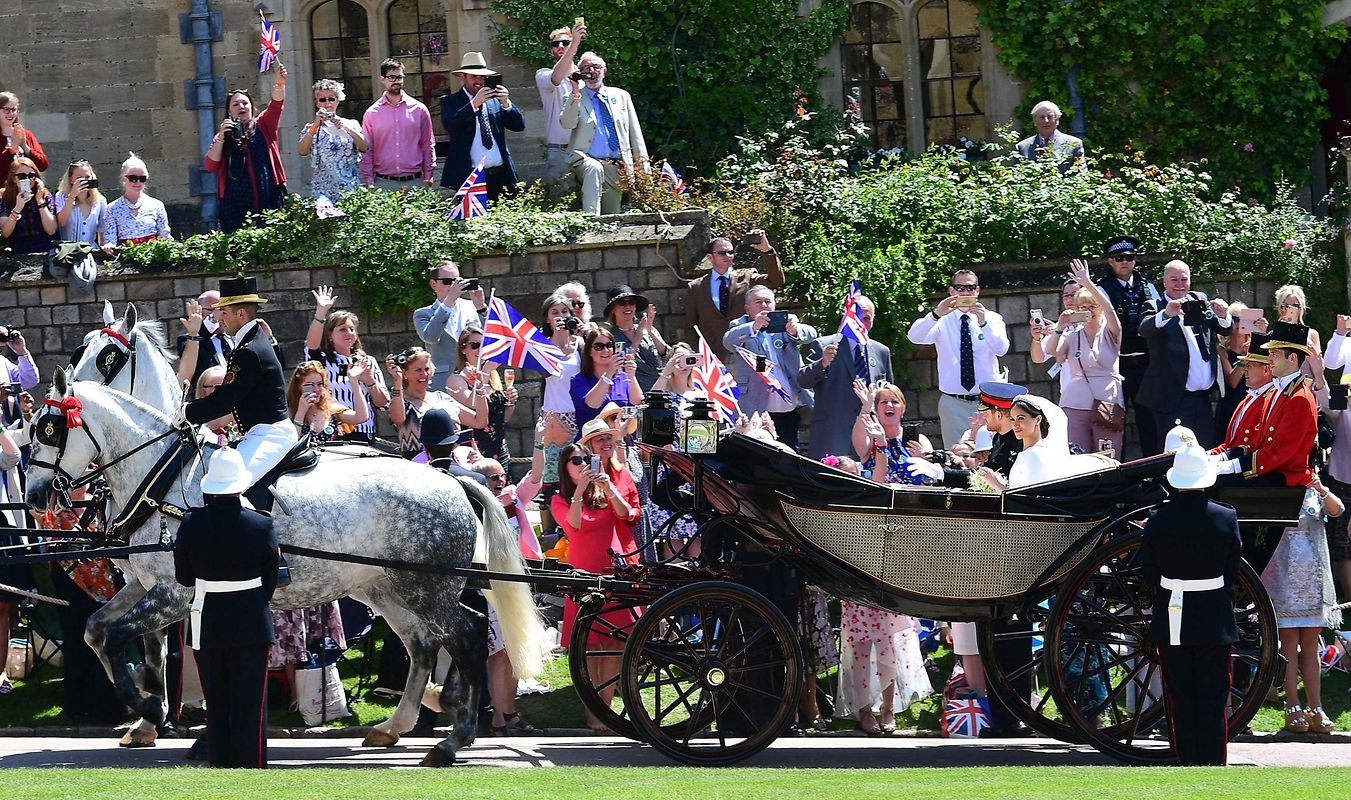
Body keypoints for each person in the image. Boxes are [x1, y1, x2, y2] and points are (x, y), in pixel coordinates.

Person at [174, 447, 279, 768]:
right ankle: (251, 762)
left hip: (208, 618)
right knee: (250, 702)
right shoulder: (261, 525)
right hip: (250, 617)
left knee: (216, 700)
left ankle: (219, 761)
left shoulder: (191, 524)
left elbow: (184, 576)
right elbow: (271, 578)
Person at [1137, 436, 1241, 765]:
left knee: (1180, 692)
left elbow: (1149, 571)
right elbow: (1233, 569)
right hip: (1213, 613)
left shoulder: (1158, 518)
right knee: (1213, 693)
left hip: (1173, 612)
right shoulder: (1226, 517)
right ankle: (1212, 759)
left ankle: (1186, 756)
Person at [551, 439, 641, 733]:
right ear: (566, 468)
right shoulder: (559, 498)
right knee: (588, 646)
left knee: (615, 643)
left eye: (584, 460)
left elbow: (627, 514)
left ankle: (607, 711)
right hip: (583, 575)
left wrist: (609, 487)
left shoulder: (603, 492)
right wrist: (580, 489)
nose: (581, 465)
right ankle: (593, 713)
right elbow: (572, 525)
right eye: (575, 461)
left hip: (612, 571)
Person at [180, 276, 296, 486]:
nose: (219, 318)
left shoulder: (249, 350)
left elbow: (225, 400)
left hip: (270, 434)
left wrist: (183, 413)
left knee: (227, 484)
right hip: (259, 432)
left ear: (241, 314)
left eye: (224, 313)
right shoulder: (250, 341)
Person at [1262, 474, 1343, 736]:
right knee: (1288, 646)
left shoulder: (1313, 489)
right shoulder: (1277, 485)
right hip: (1284, 575)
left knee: (1310, 645)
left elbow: (1337, 509)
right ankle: (1292, 706)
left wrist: (1320, 487)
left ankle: (1316, 707)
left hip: (1313, 576)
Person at [468, 458, 541, 736]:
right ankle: (499, 717)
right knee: (498, 654)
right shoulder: (479, 511)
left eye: (502, 476)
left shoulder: (512, 504)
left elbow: (536, 476)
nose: (500, 482)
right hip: (492, 589)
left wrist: (539, 440)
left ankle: (508, 711)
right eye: (492, 478)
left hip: (515, 585)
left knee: (512, 650)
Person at [907, 269, 1010, 447]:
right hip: (953, 402)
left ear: (977, 291)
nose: (965, 293)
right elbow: (914, 337)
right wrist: (936, 314)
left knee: (990, 452)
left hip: (988, 402)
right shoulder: (942, 320)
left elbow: (1001, 349)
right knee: (956, 456)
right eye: (960, 288)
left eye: (970, 288)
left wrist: (983, 323)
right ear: (952, 291)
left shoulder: (992, 319)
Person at [1137, 260, 1232, 452]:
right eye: (1174, 279)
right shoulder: (1154, 305)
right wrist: (1166, 314)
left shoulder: (1198, 298)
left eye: (1184, 279)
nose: (1179, 284)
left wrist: (1223, 315)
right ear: (1164, 282)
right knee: (1176, 452)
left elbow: (1224, 328)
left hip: (1202, 398)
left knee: (1205, 449)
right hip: (1172, 398)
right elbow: (1144, 329)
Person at [1212, 321, 1318, 487]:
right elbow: (1256, 443)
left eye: (1274, 354)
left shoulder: (1299, 398)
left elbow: (1280, 452)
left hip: (1282, 475)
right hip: (1267, 468)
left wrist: (1233, 466)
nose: (1269, 360)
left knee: (1213, 483)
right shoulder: (1277, 392)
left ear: (1292, 358)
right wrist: (1224, 459)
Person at [724, 285, 818, 451]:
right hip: (756, 405)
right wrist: (753, 326)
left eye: (768, 301)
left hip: (787, 406)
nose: (764, 305)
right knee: (756, 455)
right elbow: (728, 341)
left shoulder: (785, 322)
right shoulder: (740, 325)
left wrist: (794, 330)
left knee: (789, 453)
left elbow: (811, 334)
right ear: (748, 308)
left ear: (774, 305)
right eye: (758, 302)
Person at [800, 294, 895, 459]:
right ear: (846, 317)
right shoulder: (825, 345)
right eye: (856, 317)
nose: (861, 323)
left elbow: (890, 395)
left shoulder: (881, 352)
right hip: (833, 434)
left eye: (866, 318)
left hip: (871, 434)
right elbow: (803, 380)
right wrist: (822, 363)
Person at [560, 51, 649, 215]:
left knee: (611, 214)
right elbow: (567, 123)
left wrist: (643, 169)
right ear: (580, 73)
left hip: (615, 165)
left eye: (596, 67)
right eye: (586, 68)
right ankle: (590, 220)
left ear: (604, 71)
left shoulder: (621, 96)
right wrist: (575, 92)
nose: (592, 71)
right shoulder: (575, 96)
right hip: (585, 161)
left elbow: (635, 135)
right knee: (594, 168)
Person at [204, 63, 289, 233]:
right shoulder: (223, 134)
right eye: (236, 105)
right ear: (229, 112)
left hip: (268, 190)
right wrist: (221, 137)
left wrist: (279, 82)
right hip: (236, 197)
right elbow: (210, 166)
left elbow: (276, 104)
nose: (241, 107)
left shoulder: (264, 124)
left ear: (252, 107)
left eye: (245, 103)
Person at [1095, 235, 1162, 452]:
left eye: (1130, 257)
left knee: (1149, 421)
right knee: (1113, 422)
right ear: (1110, 261)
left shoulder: (1148, 287)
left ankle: (1153, 472)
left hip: (1145, 364)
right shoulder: (1101, 289)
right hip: (1116, 365)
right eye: (1119, 257)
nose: (1125, 261)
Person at [1055, 259, 1124, 455]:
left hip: (1107, 404)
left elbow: (1110, 309)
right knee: (1077, 457)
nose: (1088, 311)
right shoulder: (1072, 334)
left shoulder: (1111, 332)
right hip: (1075, 403)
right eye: (1083, 307)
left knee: (1107, 457)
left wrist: (1087, 283)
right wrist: (1059, 328)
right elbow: (1056, 355)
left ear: (1100, 308)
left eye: (1092, 306)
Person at [304, 286, 390, 443]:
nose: (349, 333)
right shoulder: (322, 360)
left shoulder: (367, 361)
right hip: (333, 432)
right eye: (343, 329)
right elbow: (311, 345)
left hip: (365, 432)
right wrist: (321, 312)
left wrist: (370, 381)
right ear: (330, 335)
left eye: (352, 329)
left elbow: (383, 404)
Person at [684, 231, 783, 362]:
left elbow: (776, 281)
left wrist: (767, 250)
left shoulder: (747, 276)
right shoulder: (697, 287)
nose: (728, 256)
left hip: (746, 352)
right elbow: (691, 326)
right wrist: (698, 353)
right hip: (714, 356)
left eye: (730, 252)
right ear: (710, 257)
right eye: (722, 253)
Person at [441, 52, 524, 202]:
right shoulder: (450, 101)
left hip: (500, 174)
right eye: (473, 76)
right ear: (463, 77)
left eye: (482, 77)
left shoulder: (495, 100)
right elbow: (451, 125)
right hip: (471, 175)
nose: (478, 81)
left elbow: (519, 126)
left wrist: (506, 103)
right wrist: (474, 104)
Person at [385, 347, 486, 460]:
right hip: (418, 465)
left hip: (454, 461)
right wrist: (397, 381)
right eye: (418, 370)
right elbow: (398, 419)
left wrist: (480, 388)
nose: (424, 374)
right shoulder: (401, 401)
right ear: (405, 374)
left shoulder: (442, 397)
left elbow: (480, 421)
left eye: (427, 369)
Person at [444, 326, 518, 464]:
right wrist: (484, 372)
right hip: (473, 451)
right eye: (475, 345)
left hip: (499, 449)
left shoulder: (493, 376)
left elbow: (504, 418)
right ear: (463, 349)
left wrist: (510, 402)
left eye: (485, 345)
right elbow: (472, 404)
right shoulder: (456, 380)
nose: (481, 350)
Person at [360, 59, 436, 190]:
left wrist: (428, 176)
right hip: (383, 183)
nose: (396, 81)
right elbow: (367, 149)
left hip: (415, 182)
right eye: (391, 77)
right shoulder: (372, 113)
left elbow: (427, 144)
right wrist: (369, 180)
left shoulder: (419, 110)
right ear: (382, 79)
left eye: (400, 77)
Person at [413, 260, 487, 389]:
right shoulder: (423, 313)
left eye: (456, 281)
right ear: (433, 284)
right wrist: (448, 302)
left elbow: (492, 337)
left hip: (474, 378)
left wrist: (481, 308)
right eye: (447, 281)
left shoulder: (472, 307)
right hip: (442, 381)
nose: (453, 285)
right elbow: (430, 337)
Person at [297, 78, 367, 200]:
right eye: (322, 99)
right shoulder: (311, 127)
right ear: (317, 103)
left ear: (337, 101)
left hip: (349, 188)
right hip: (323, 191)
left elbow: (364, 147)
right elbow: (302, 151)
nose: (327, 103)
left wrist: (346, 127)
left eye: (331, 99)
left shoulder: (351, 124)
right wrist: (315, 126)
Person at [535, 22, 587, 183]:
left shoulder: (584, 81)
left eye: (565, 43)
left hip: (585, 150)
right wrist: (574, 44)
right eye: (555, 44)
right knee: (560, 201)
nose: (560, 46)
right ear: (552, 51)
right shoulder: (543, 75)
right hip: (559, 150)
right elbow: (556, 78)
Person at [570, 326, 642, 433]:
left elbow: (638, 404)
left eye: (609, 346)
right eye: (599, 346)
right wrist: (608, 374)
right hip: (592, 441)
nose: (606, 350)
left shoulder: (623, 378)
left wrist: (631, 376)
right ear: (589, 351)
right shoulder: (578, 380)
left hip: (621, 440)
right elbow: (592, 405)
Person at [99, 153, 172, 251]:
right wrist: (108, 246)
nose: (138, 182)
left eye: (142, 179)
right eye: (133, 179)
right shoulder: (112, 208)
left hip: (153, 257)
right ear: (123, 179)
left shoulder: (157, 205)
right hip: (125, 258)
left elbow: (165, 236)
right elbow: (110, 239)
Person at [1320, 373, 1351, 601]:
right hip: (1342, 481)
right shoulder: (1343, 402)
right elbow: (1328, 409)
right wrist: (1319, 373)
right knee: (1343, 548)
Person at [604, 284, 668, 391]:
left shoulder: (647, 329)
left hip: (662, 391)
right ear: (612, 309)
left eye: (631, 302)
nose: (628, 307)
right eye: (622, 303)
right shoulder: (610, 337)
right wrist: (637, 339)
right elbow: (622, 368)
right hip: (634, 394)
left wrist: (650, 331)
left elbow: (667, 355)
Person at [286, 361, 368, 442]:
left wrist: (354, 381)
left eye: (319, 384)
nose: (316, 390)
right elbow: (292, 442)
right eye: (309, 385)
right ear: (298, 387)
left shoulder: (330, 409)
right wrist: (301, 412)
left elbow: (361, 417)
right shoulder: (289, 412)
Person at [0, 156, 57, 255]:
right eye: (22, 176)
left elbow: (51, 230)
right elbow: (6, 232)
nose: (27, 179)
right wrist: (18, 207)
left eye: (31, 175)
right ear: (14, 179)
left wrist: (40, 201)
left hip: (46, 250)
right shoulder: (6, 198)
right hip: (19, 252)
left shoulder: (44, 195)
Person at [1014, 100, 1084, 172]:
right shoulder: (1022, 148)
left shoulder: (1074, 145)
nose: (1046, 121)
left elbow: (1081, 175)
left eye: (1050, 117)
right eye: (1042, 117)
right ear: (1035, 121)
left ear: (1057, 120)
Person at [54, 160, 108, 247]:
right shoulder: (61, 196)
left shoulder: (100, 200)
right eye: (79, 178)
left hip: (91, 251)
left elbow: (102, 230)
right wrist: (72, 196)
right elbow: (61, 222)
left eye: (87, 177)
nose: (84, 181)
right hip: (68, 252)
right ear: (71, 179)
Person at [0, 92, 48, 180]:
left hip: (29, 189)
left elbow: (43, 165)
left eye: (14, 109)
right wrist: (12, 148)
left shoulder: (26, 134)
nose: (11, 113)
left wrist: (25, 147)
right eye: (6, 109)